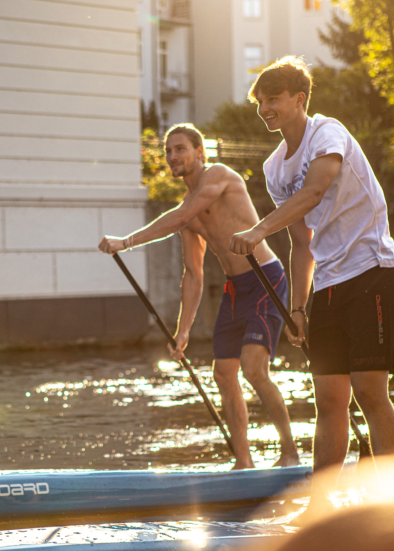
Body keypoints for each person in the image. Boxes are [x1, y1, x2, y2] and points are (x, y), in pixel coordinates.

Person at [228, 56, 394, 520]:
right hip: (327, 284)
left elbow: (316, 190)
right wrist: (299, 307)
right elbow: (301, 238)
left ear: (298, 100)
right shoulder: (273, 167)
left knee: (370, 392)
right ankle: (321, 508)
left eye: (273, 100)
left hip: (372, 271)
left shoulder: (328, 132)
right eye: (260, 102)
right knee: (329, 399)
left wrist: (255, 232)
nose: (265, 109)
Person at [99, 123, 300, 470]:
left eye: (180, 149)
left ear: (199, 152)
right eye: (169, 151)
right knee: (223, 374)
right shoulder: (188, 210)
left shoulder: (219, 176)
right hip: (235, 289)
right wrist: (183, 330)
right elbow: (193, 274)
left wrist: (126, 242)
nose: (173, 156)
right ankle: (244, 462)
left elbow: (178, 217)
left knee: (253, 368)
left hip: (266, 279)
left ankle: (290, 452)